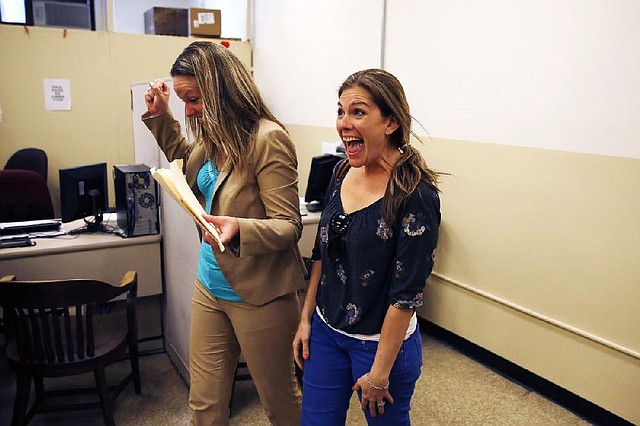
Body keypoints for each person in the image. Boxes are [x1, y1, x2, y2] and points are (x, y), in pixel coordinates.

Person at [143, 41, 305, 425]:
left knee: (280, 404)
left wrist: (239, 229)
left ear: (220, 90)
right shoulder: (214, 135)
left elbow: (289, 226)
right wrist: (161, 117)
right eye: (183, 101)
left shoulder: (268, 139)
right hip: (210, 285)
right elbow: (188, 162)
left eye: (194, 100)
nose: (190, 111)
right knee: (205, 404)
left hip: (259, 294)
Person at [293, 69, 442, 425]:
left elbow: (405, 295)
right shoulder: (341, 171)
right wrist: (306, 319)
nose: (344, 123)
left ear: (390, 122)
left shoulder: (415, 195)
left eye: (358, 112)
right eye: (341, 111)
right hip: (327, 333)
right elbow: (321, 253)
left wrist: (379, 373)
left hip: (380, 346)